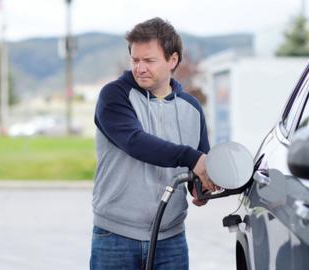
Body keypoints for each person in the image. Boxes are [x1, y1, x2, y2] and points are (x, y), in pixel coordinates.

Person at [90, 17, 216, 270]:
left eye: (149, 61)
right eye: (135, 60)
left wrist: (199, 187)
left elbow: (200, 162)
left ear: (173, 60)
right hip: (115, 236)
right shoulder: (114, 96)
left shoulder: (192, 108)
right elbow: (135, 142)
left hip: (170, 239)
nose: (140, 68)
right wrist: (192, 158)